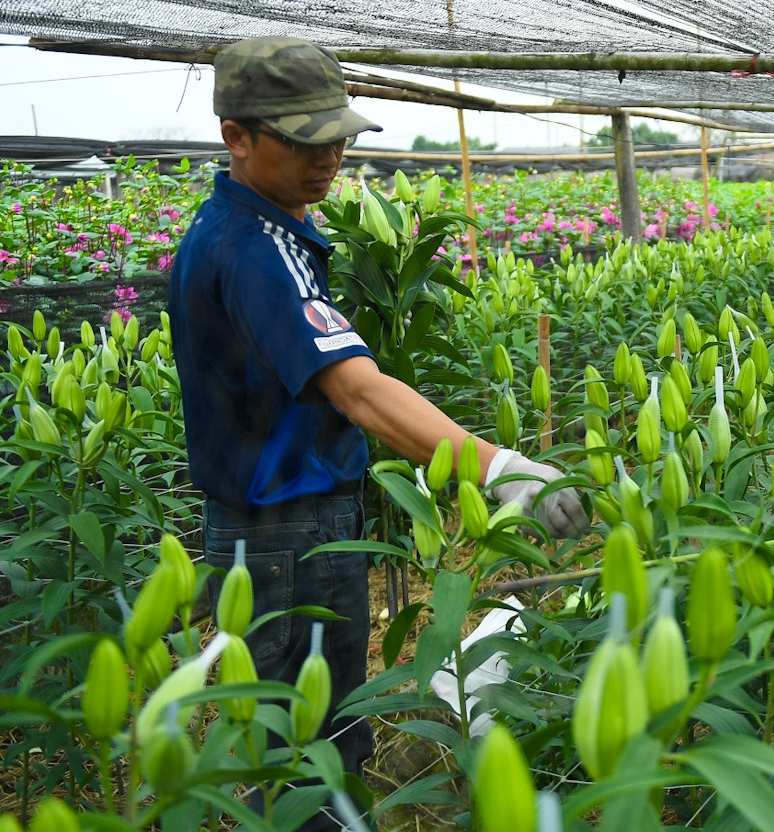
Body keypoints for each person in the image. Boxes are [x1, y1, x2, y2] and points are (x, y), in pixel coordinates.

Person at [170, 37, 589, 830]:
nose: (329, 156)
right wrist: (500, 467)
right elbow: (359, 391)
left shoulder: (249, 229)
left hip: (271, 532)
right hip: (287, 535)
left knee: (305, 738)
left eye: (338, 135)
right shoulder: (257, 252)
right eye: (304, 138)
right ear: (238, 138)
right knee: (307, 749)